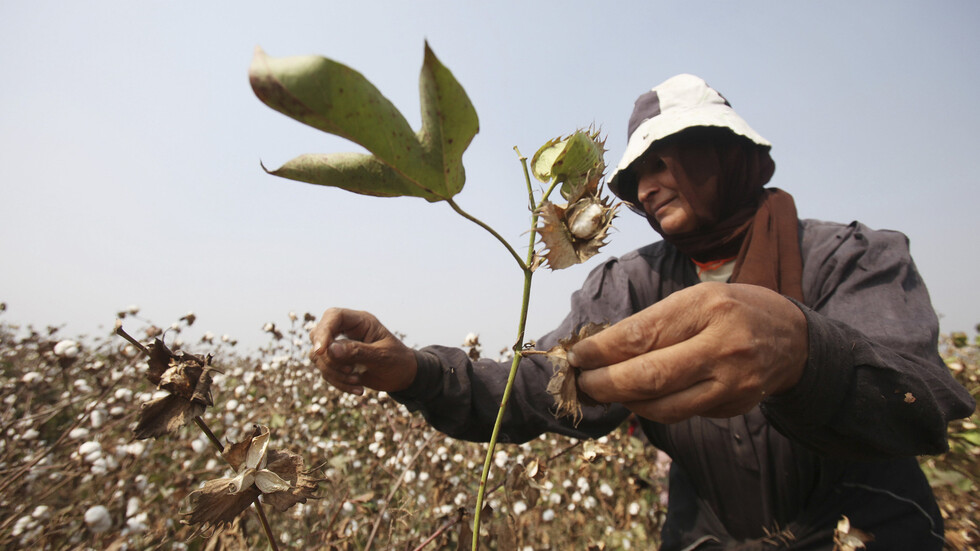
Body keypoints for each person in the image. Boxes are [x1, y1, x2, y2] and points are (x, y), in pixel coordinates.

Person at [308, 74, 976, 550]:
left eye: (665, 159)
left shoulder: (850, 256)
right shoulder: (627, 288)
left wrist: (804, 349)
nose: (647, 186)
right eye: (635, 178)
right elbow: (535, 389)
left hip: (870, 532)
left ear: (729, 153)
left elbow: (920, 396)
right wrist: (414, 370)